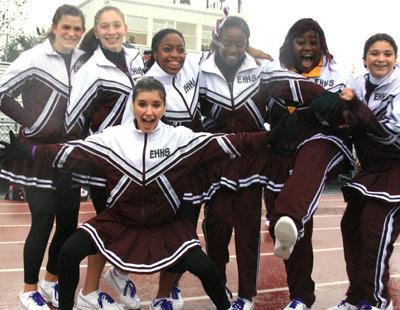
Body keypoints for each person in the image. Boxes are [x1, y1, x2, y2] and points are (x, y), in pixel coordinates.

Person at [0, 77, 290, 310]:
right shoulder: (113, 138)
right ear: (132, 105)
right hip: (119, 222)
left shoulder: (180, 139)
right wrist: (29, 150)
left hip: (163, 226)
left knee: (207, 269)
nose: (148, 112)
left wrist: (269, 137)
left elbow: (227, 142)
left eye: (155, 105)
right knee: (70, 251)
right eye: (142, 104)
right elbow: (70, 150)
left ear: (163, 107)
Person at [263, 18, 354, 310]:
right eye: (301, 41)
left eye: (313, 43)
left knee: (296, 211)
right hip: (281, 151)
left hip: (322, 144)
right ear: (290, 43)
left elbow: (348, 113)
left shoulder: (335, 74)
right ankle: (299, 295)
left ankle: (302, 294)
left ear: (322, 47)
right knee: (288, 234)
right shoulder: (273, 73)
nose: (307, 48)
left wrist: (339, 105)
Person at [0, 4, 85, 309]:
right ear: (54, 27)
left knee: (67, 223)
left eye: (77, 29)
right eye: (66, 27)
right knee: (43, 221)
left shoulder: (82, 61)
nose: (71, 33)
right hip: (36, 155)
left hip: (68, 155)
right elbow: (2, 93)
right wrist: (32, 122)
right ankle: (28, 288)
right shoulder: (33, 58)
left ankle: (50, 281)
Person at [64, 6, 144, 310]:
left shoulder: (137, 58)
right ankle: (89, 292)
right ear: (95, 32)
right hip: (105, 163)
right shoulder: (89, 69)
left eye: (116, 25)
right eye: (104, 26)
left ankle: (118, 273)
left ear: (125, 27)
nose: (111, 31)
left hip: (136, 159)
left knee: (132, 220)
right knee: (109, 224)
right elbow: (73, 118)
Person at [327, 33, 400, 310]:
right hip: (369, 170)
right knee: (351, 227)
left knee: (375, 230)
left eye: (387, 53)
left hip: (395, 169)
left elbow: (391, 136)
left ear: (395, 59)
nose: (380, 58)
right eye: (374, 53)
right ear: (365, 58)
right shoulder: (356, 82)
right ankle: (357, 297)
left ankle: (377, 302)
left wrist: (355, 108)